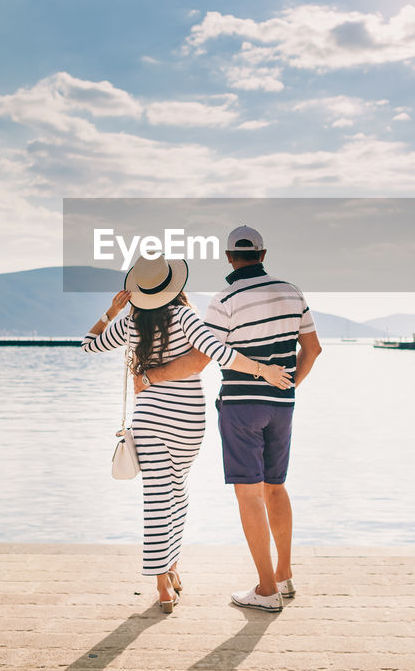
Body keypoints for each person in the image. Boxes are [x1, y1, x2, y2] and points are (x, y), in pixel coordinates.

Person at [81, 254, 291, 613]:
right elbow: (218, 352)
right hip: (186, 422)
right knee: (177, 492)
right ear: (173, 285)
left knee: (156, 498)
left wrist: (110, 311)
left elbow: (88, 344)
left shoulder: (130, 322)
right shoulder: (185, 316)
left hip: (147, 418)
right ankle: (170, 567)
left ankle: (164, 582)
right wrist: (263, 371)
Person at [144, 225, 321, 613]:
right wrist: (290, 385)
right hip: (282, 404)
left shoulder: (224, 298)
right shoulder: (292, 291)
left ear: (228, 257)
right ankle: (285, 574)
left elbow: (201, 357)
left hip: (242, 405)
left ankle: (266, 588)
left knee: (249, 494)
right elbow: (313, 348)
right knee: (276, 487)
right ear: (263, 253)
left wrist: (152, 375)